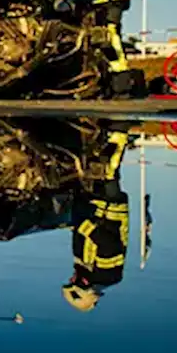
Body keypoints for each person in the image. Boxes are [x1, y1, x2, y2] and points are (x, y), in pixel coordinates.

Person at [62, 131, 130, 312]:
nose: (71, 279)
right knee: (109, 172)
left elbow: (81, 239)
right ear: (83, 286)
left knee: (88, 169)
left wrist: (71, 222)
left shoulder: (83, 268)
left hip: (93, 210)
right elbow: (108, 244)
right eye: (73, 283)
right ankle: (119, 136)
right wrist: (81, 225)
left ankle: (95, 136)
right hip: (109, 209)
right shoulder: (108, 275)